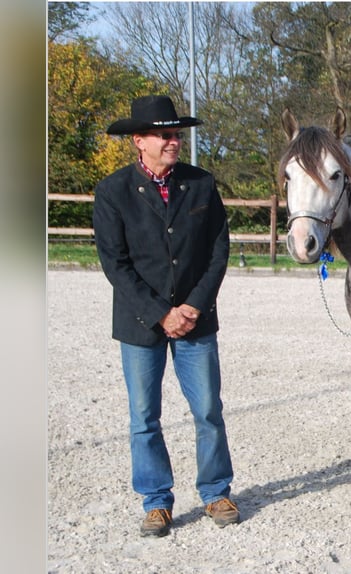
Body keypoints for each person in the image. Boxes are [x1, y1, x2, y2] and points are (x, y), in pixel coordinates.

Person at [93, 95, 239, 537]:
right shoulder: (112, 191)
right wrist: (161, 314)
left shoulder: (200, 183)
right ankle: (156, 501)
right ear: (139, 141)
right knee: (144, 416)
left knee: (208, 409)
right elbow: (115, 264)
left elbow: (218, 250)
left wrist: (192, 305)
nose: (173, 141)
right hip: (141, 323)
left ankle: (216, 491)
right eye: (164, 134)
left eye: (176, 134)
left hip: (197, 319)